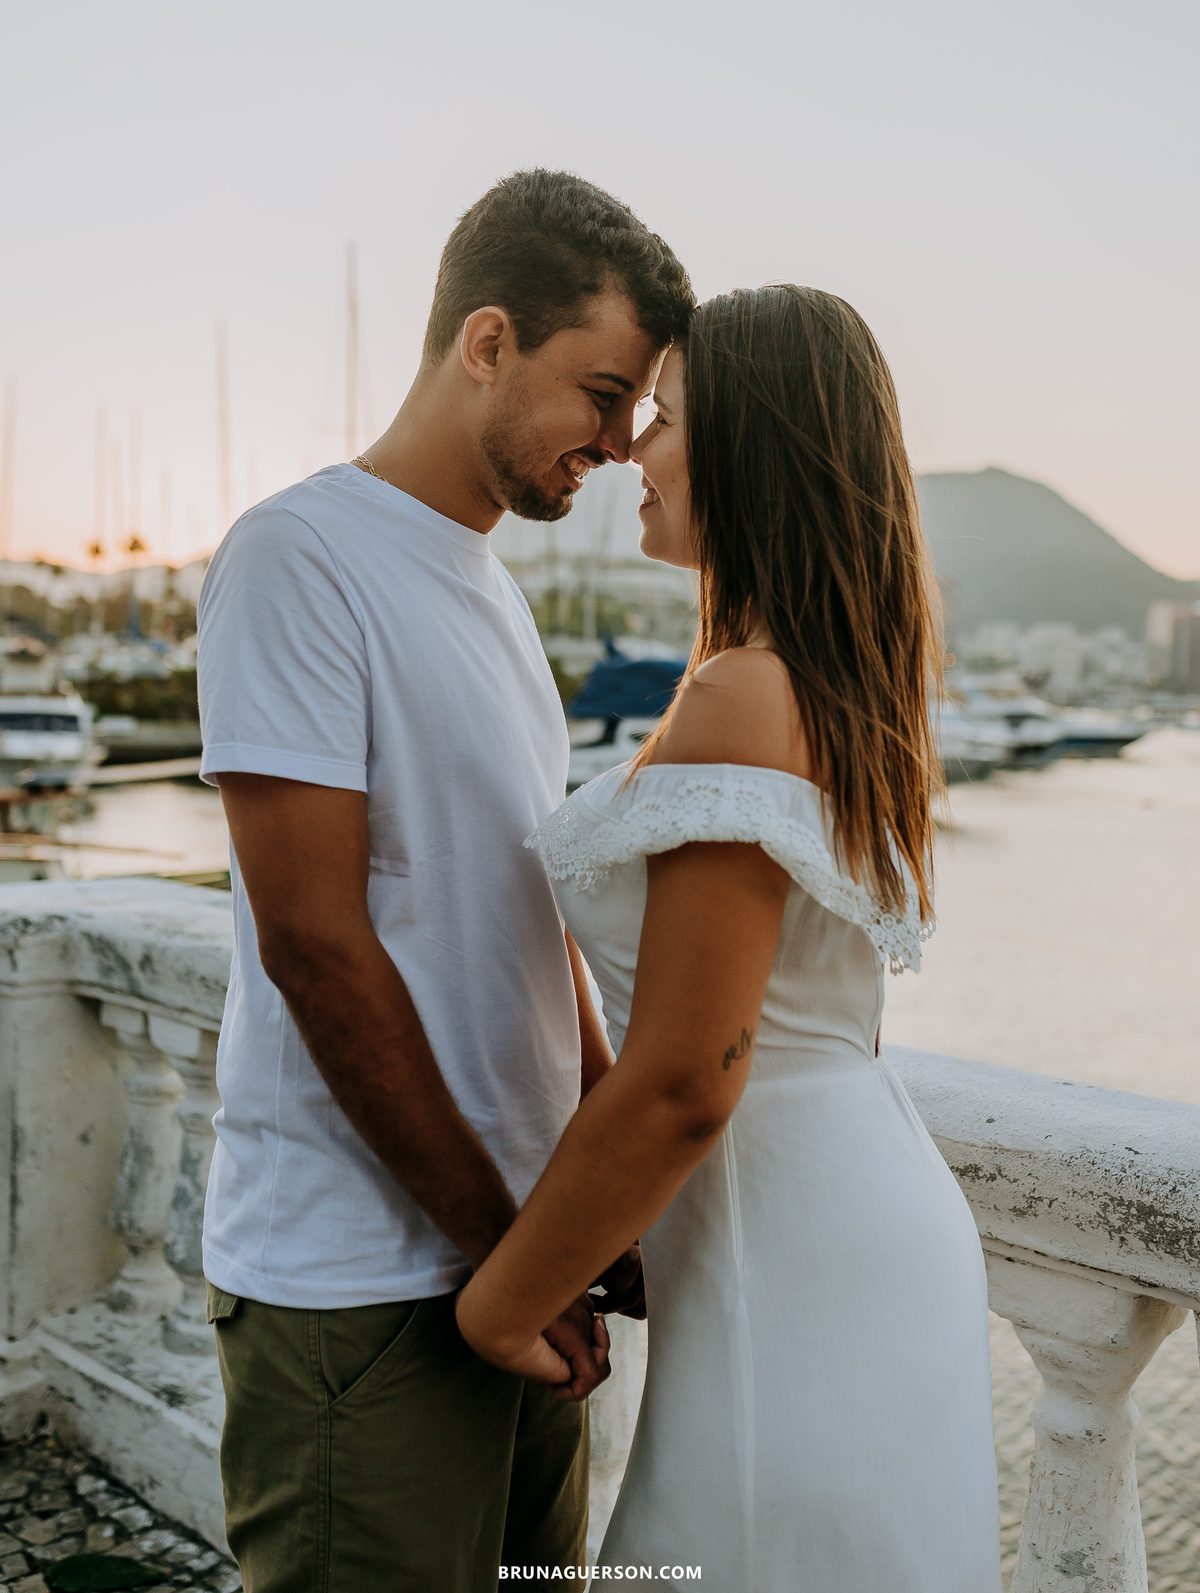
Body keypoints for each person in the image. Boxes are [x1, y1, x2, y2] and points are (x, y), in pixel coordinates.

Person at [457, 284, 1004, 1591]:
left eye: (669, 418)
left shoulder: (741, 694)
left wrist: (500, 1305)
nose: (632, 451)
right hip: (851, 1225)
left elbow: (688, 1080)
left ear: (759, 448)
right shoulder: (832, 687)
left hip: (794, 1261)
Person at [195, 168, 694, 1592]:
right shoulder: (299, 556)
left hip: (516, 1273)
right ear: (486, 342)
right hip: (366, 1283)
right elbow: (315, 942)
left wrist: (581, 1218)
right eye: (600, 393)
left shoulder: (494, 591)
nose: (617, 441)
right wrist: (504, 1253)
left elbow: (529, 931)